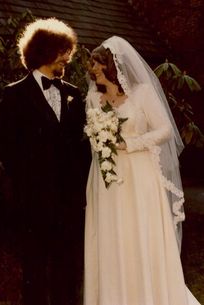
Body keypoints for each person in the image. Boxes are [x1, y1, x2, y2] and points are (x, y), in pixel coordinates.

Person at [84, 36, 201, 305]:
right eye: (92, 67)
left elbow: (165, 130)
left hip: (140, 175)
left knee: (139, 235)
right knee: (112, 237)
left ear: (111, 66)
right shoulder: (93, 97)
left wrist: (132, 143)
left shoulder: (143, 93)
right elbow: (93, 138)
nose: (94, 72)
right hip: (106, 178)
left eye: (98, 66)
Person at [0, 17, 90, 305]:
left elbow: (81, 148)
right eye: (63, 51)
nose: (68, 58)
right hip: (33, 201)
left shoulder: (74, 94)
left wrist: (77, 190)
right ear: (43, 51)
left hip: (69, 203)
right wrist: (28, 187)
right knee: (34, 268)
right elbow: (7, 148)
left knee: (67, 269)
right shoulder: (14, 94)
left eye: (68, 52)